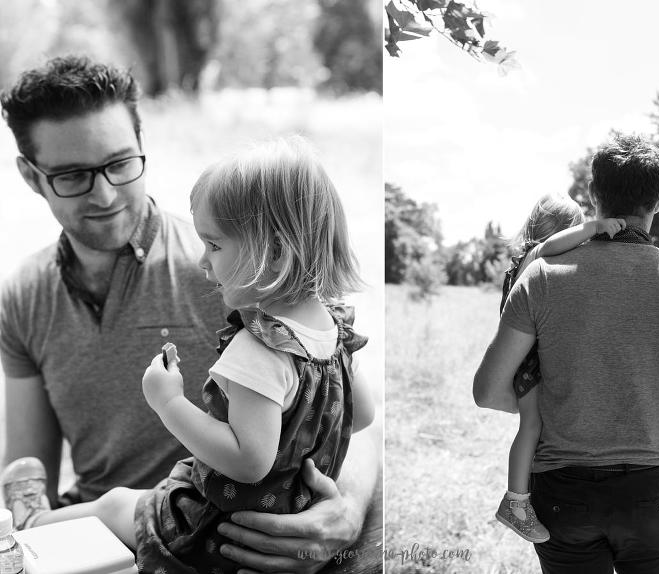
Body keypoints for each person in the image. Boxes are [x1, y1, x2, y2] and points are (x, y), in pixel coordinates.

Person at [0, 55, 381, 572]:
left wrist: (347, 508)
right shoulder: (24, 294)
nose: (106, 193)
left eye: (119, 163)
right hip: (109, 535)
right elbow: (27, 470)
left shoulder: (238, 286)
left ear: (142, 147)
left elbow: (359, 428)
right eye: (72, 176)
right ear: (30, 175)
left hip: (204, 521)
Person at [474, 132, 659, 573]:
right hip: (653, 494)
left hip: (561, 493)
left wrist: (566, 410)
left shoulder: (542, 276)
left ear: (593, 195)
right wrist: (641, 408)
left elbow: (487, 391)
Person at [495, 193, 626, 543]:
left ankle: (524, 496)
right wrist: (594, 227)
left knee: (537, 425)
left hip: (528, 355)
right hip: (528, 360)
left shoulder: (520, 260)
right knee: (532, 424)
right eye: (576, 229)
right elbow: (553, 246)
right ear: (562, 229)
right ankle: (515, 503)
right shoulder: (538, 255)